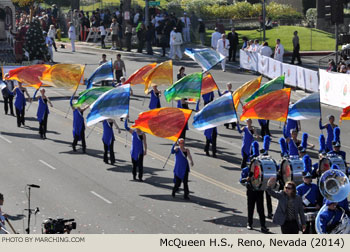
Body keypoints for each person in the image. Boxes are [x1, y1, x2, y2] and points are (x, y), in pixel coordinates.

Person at [240, 145, 269, 233]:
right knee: (250, 208)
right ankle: (249, 223)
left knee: (261, 209)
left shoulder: (260, 169)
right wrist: (246, 180)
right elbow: (241, 180)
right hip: (251, 190)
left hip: (259, 190)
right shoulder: (245, 170)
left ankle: (263, 226)